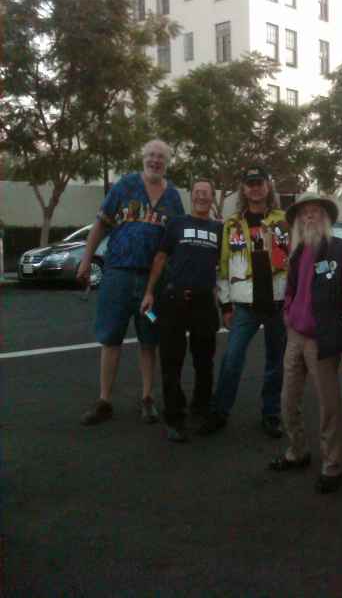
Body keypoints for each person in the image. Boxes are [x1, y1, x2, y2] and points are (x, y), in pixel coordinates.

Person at [268, 193, 342, 494]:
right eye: (304, 214)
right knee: (288, 400)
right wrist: (288, 311)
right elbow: (290, 288)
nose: (309, 217)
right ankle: (297, 451)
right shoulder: (298, 251)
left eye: (315, 213)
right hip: (295, 337)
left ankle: (333, 465)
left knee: (328, 406)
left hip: (322, 339)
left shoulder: (339, 251)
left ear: (325, 219)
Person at [77, 139, 184, 426]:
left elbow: (176, 241)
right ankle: (104, 400)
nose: (155, 160)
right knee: (111, 337)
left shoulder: (173, 197)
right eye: (151, 155)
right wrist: (86, 260)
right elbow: (101, 223)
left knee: (150, 340)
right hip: (118, 277)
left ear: (167, 162)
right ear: (143, 157)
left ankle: (147, 398)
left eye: (161, 157)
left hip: (153, 285)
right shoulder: (124, 186)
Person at [199, 165, 289, 438]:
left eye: (259, 182)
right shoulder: (232, 224)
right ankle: (219, 412)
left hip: (278, 304)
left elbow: (295, 261)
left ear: (268, 186)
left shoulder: (284, 220)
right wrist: (225, 305)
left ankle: (271, 414)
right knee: (232, 359)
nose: (255, 188)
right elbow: (223, 267)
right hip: (245, 306)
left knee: (277, 362)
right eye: (250, 183)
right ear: (244, 189)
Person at [140, 179, 223, 442]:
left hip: (204, 304)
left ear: (212, 198)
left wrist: (224, 297)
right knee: (171, 362)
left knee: (204, 362)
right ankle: (174, 416)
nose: (201, 197)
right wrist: (150, 292)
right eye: (197, 193)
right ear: (192, 197)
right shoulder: (176, 223)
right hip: (173, 300)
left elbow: (225, 266)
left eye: (206, 194)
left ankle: (201, 407)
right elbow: (161, 258)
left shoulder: (219, 229)